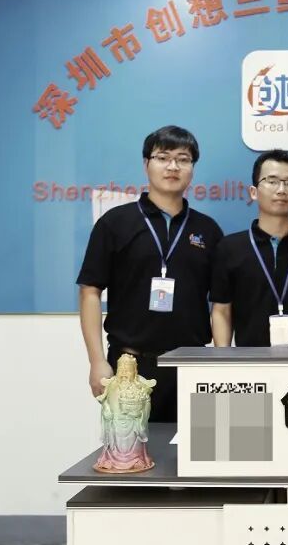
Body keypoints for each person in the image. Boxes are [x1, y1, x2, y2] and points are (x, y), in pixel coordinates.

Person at [77, 125, 223, 422]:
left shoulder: (207, 230)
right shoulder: (115, 223)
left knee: (196, 449)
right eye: (163, 157)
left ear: (192, 168)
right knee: (129, 448)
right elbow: (90, 291)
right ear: (146, 164)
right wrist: (96, 361)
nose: (173, 166)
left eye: (183, 159)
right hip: (129, 365)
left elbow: (222, 304)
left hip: (192, 365)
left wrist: (222, 361)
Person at [211, 149, 288, 347]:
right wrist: (223, 357)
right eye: (272, 181)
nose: (281, 190)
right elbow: (221, 310)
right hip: (250, 361)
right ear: (253, 192)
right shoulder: (230, 247)